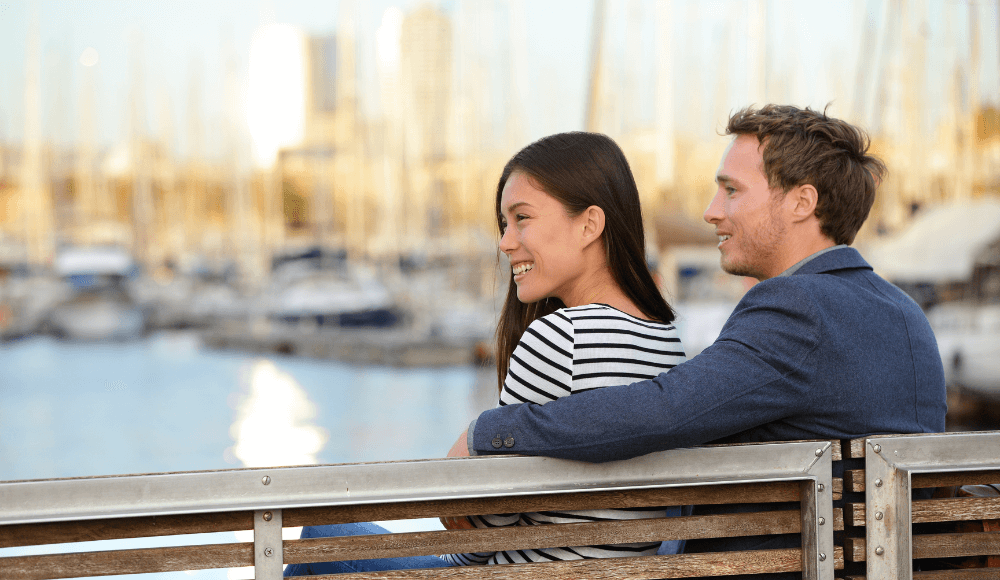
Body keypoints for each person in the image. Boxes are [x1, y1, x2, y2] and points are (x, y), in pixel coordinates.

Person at [448, 104, 948, 577]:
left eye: (731, 190)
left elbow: (664, 410)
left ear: (802, 201)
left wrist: (490, 434)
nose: (711, 211)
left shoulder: (797, 309)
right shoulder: (905, 314)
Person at [284, 131, 687, 576]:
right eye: (504, 224)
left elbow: (479, 532)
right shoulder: (663, 338)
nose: (505, 242)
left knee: (322, 538)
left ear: (589, 224)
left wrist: (471, 448)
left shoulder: (560, 338)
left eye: (522, 219)